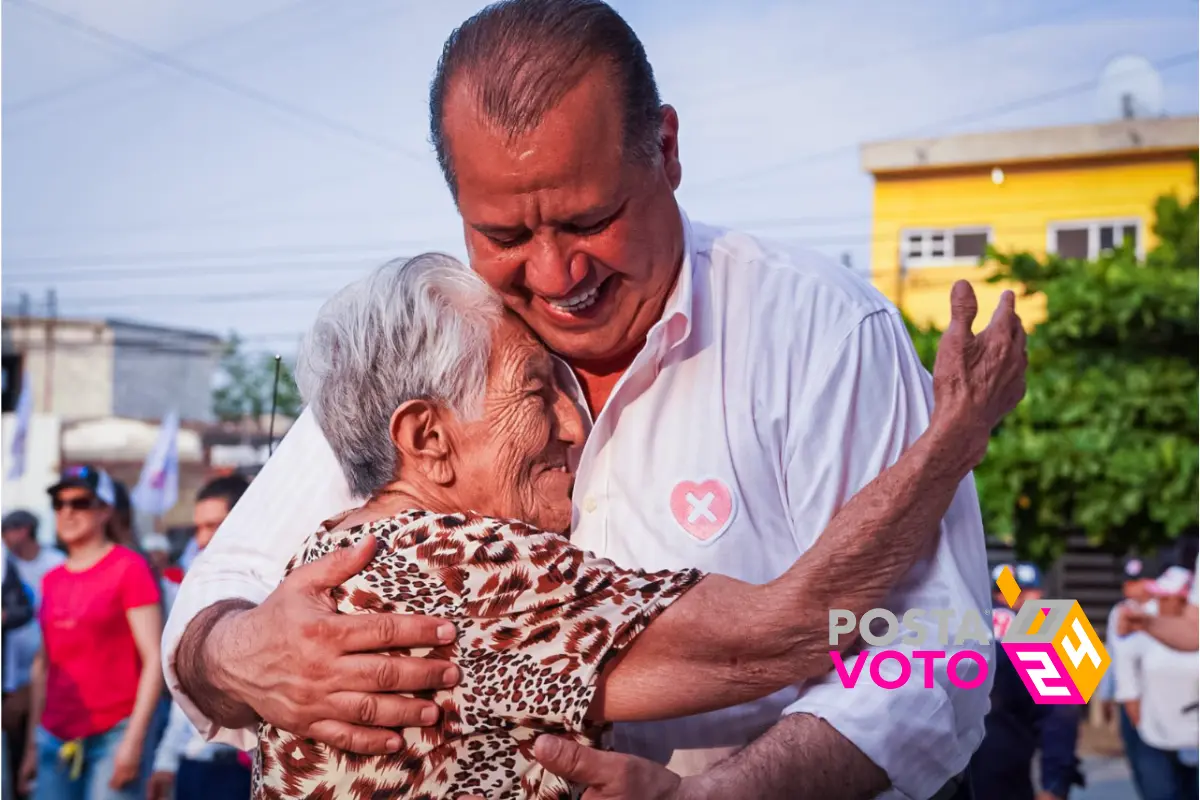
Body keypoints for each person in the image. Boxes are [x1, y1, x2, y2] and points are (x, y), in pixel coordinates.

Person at [164, 2, 1015, 797]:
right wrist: (247, 653)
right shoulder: (439, 343)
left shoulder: (818, 328)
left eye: (587, 219)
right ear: (425, 438)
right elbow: (214, 606)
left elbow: (942, 648)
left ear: (667, 151)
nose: (554, 275)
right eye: (503, 235)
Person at [236, 256, 1022, 797]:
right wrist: (953, 438)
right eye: (535, 390)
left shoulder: (320, 559)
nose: (573, 427)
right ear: (428, 439)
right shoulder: (473, 569)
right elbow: (790, 629)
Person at [17, 466, 164, 800]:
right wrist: (30, 744)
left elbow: (154, 658)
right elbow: (43, 664)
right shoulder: (52, 579)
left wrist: (134, 742)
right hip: (55, 734)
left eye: (80, 502)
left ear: (105, 511)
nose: (67, 511)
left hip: (113, 733)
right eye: (59, 503)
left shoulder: (129, 568)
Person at [148, 474, 251, 800]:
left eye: (214, 526)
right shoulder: (197, 585)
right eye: (199, 527)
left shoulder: (284, 583)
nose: (203, 539)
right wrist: (166, 759)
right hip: (196, 762)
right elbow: (185, 685)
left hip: (249, 768)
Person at [970, 563, 1082, 800]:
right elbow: (1060, 715)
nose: (1037, 597)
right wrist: (1055, 784)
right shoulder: (1038, 634)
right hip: (1003, 773)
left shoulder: (949, 623)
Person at [1113, 565, 1199, 799]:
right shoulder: (1140, 618)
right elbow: (1127, 679)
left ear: (1183, 599)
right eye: (1158, 594)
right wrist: (1139, 725)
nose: (1159, 600)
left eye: (1166, 596)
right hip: (1154, 734)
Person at [1, 510, 64, 799]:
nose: (3, 537)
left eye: (7, 530)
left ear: (25, 529)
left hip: (50, 675)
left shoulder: (57, 564)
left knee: (42, 760)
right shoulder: (6, 565)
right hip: (10, 679)